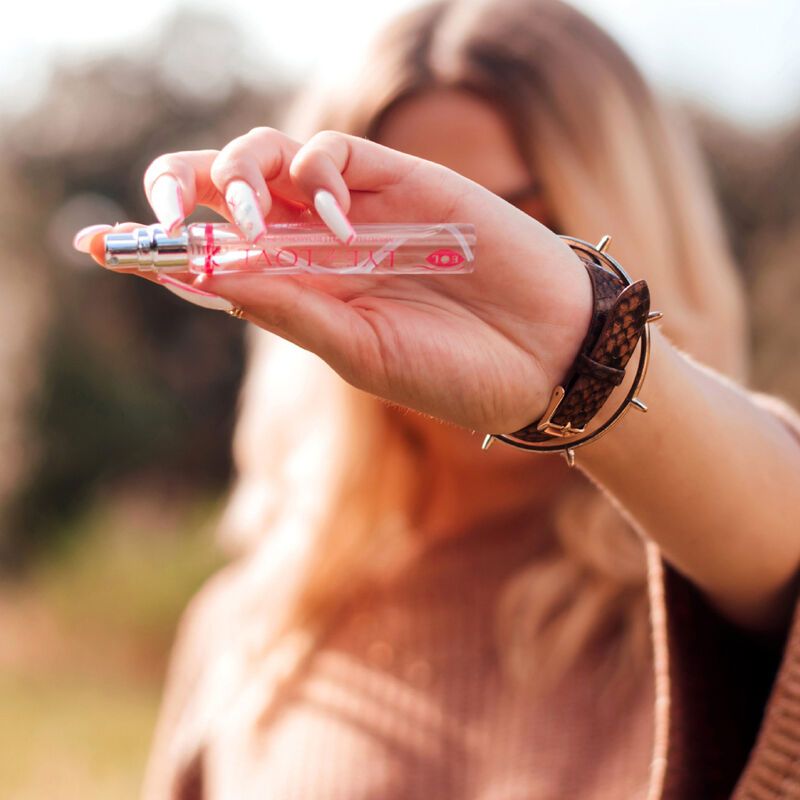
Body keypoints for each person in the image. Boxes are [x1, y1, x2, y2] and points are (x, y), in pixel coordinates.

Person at [74, 0, 800, 797]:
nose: (455, 278)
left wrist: (586, 354)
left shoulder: (717, 585)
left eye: (528, 221)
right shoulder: (246, 633)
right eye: (381, 224)